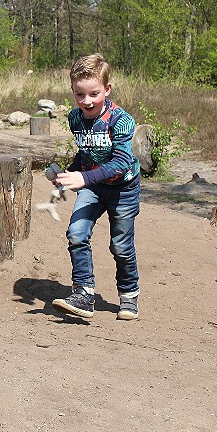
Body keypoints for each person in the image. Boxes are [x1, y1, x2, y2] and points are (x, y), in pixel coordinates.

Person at [50, 53, 142, 320]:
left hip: (123, 190)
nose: (87, 101)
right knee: (76, 234)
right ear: (73, 92)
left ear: (107, 89)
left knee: (121, 246)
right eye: (80, 95)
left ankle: (129, 295)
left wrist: (83, 178)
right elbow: (87, 152)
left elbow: (123, 161)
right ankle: (84, 294)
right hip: (92, 188)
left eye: (94, 93)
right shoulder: (75, 119)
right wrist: (70, 173)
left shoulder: (120, 120)